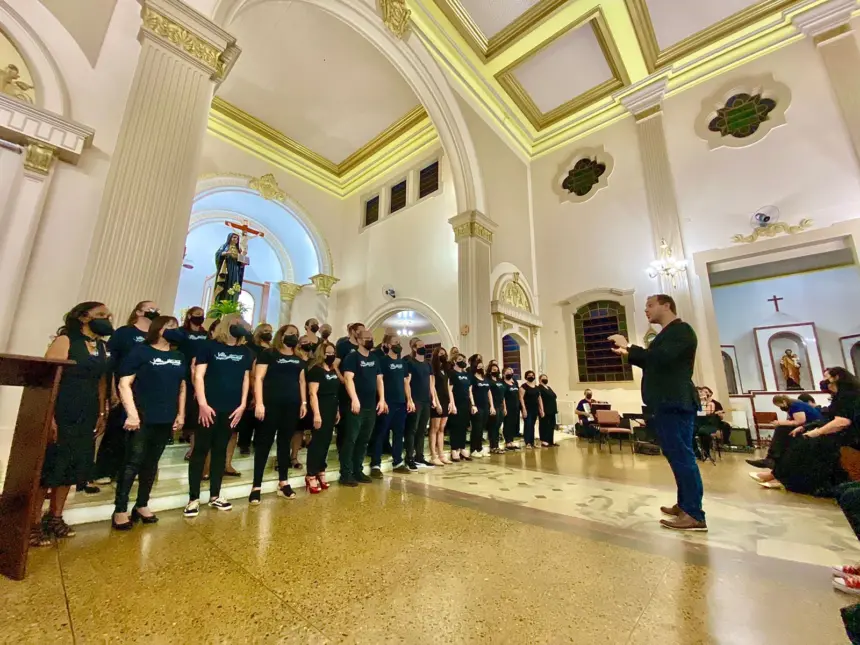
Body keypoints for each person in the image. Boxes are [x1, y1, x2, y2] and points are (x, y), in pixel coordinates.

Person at [609, 294, 706, 532]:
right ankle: (685, 505)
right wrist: (629, 353)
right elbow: (655, 362)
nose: (646, 310)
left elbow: (661, 359)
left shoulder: (681, 330)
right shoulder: (667, 334)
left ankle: (694, 513)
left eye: (650, 305)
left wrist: (629, 346)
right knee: (676, 456)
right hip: (666, 402)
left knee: (682, 456)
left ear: (666, 305)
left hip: (674, 401)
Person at [33, 302, 113, 545]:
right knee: (50, 467)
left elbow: (101, 380)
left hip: (86, 411)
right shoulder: (66, 340)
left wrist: (102, 412)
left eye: (108, 316)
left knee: (72, 466)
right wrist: (50, 416)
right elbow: (48, 378)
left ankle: (54, 517)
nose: (106, 318)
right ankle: (32, 523)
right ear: (83, 316)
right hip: (63, 409)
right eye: (100, 315)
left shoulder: (101, 346)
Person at [113, 316, 186, 530]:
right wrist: (132, 414)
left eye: (176, 327)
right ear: (159, 329)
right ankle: (120, 509)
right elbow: (124, 383)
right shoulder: (141, 352)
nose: (175, 330)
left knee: (152, 462)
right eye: (170, 327)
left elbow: (182, 387)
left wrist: (180, 414)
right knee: (132, 462)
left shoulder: (178, 356)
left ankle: (142, 504)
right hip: (142, 416)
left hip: (166, 416)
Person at [751, 367, 860, 495]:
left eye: (826, 377)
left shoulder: (849, 395)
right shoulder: (838, 396)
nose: (824, 381)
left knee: (806, 443)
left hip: (852, 435)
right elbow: (827, 419)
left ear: (836, 378)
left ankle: (783, 477)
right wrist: (805, 427)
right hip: (840, 432)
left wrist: (817, 432)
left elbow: (842, 422)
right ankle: (779, 475)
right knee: (797, 438)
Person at [184, 314, 252, 517]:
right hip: (209, 407)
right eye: (236, 324)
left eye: (242, 325)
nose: (239, 327)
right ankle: (193, 498)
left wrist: (242, 405)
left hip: (231, 408)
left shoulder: (246, 352)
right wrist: (203, 404)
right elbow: (199, 375)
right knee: (201, 449)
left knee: (220, 451)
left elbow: (246, 380)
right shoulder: (209, 347)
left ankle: (215, 495)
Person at [93, 300, 159, 486]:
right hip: (123, 387)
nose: (155, 312)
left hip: (146, 392)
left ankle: (129, 469)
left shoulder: (156, 337)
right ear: (139, 312)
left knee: (138, 435)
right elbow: (111, 363)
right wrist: (113, 389)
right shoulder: (124, 333)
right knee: (115, 431)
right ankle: (104, 471)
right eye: (150, 309)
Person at [249, 324, 306, 504]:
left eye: (296, 334)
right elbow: (258, 378)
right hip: (270, 404)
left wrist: (303, 402)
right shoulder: (269, 353)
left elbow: (302, 381)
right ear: (281, 336)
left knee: (284, 444)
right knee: (264, 443)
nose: (293, 337)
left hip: (292, 405)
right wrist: (259, 402)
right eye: (290, 334)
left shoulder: (299, 358)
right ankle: (256, 486)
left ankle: (283, 482)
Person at [340, 328, 384, 486]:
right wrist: (354, 399)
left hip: (371, 405)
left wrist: (382, 399)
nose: (370, 340)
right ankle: (346, 473)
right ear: (358, 340)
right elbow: (348, 378)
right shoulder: (352, 357)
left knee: (364, 440)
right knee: (351, 439)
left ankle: (358, 470)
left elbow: (379, 380)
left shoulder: (374, 358)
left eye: (371, 338)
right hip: (356, 406)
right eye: (366, 338)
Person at [370, 333, 413, 476]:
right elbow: (379, 381)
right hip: (387, 403)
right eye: (395, 342)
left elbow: (406, 382)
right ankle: (375, 464)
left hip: (401, 403)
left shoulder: (403, 363)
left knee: (398, 433)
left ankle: (398, 461)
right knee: (381, 433)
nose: (398, 345)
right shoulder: (382, 361)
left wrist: (410, 399)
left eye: (399, 342)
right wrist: (383, 400)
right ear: (388, 345)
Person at [746, 394, 822, 470]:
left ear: (783, 401)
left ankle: (771, 459)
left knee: (781, 429)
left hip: (813, 425)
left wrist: (780, 423)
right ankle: (772, 459)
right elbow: (794, 420)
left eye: (779, 405)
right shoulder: (792, 405)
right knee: (781, 431)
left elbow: (800, 421)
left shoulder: (795, 405)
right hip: (808, 424)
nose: (779, 407)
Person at [306, 342, 339, 492]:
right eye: (328, 352)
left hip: (332, 408)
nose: (331, 355)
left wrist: (337, 410)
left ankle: (321, 469)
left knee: (326, 442)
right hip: (320, 408)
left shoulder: (332, 370)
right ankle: (311, 473)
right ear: (321, 353)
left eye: (333, 352)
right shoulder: (316, 371)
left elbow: (335, 392)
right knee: (317, 442)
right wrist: (317, 414)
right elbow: (313, 393)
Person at [178, 307, 208, 450]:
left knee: (193, 402)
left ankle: (189, 432)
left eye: (202, 315)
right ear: (189, 316)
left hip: (199, 371)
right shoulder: (182, 332)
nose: (200, 317)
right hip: (183, 369)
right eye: (197, 315)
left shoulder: (205, 334)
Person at [404, 337, 434, 469]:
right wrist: (409, 399)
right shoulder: (410, 362)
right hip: (415, 400)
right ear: (414, 348)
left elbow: (431, 383)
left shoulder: (428, 364)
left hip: (426, 400)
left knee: (422, 430)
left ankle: (419, 456)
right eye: (420, 345)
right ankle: (409, 457)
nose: (423, 347)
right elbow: (407, 382)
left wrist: (433, 398)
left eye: (424, 345)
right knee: (412, 429)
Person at [448, 354, 475, 462]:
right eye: (459, 360)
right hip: (456, 403)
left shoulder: (467, 374)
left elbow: (470, 391)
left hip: (465, 403)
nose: (462, 361)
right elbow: (449, 390)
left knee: (463, 426)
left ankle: (462, 448)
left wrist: (473, 404)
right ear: (454, 361)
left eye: (463, 359)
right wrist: (452, 404)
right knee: (455, 426)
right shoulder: (452, 374)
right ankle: (454, 449)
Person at [429, 347, 453, 465]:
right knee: (435, 428)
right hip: (436, 400)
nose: (442, 355)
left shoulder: (446, 369)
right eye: (440, 354)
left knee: (442, 428)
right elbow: (432, 386)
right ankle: (433, 455)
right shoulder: (433, 368)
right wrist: (436, 402)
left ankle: (441, 454)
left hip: (445, 400)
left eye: (444, 354)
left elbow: (448, 387)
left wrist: (451, 402)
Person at [468, 355, 493, 458]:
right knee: (476, 428)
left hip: (485, 406)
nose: (481, 368)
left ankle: (480, 448)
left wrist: (491, 406)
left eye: (482, 366)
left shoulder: (485, 379)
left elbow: (489, 392)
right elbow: (470, 391)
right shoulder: (472, 378)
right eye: (479, 366)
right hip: (477, 406)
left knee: (482, 428)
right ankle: (474, 449)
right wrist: (473, 404)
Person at [213, 232, 247, 303]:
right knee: (226, 285)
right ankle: (222, 301)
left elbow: (241, 262)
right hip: (227, 268)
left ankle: (231, 301)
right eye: (234, 237)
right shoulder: (225, 246)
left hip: (235, 270)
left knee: (234, 285)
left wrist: (243, 260)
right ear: (230, 238)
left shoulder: (239, 250)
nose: (236, 239)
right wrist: (225, 253)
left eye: (237, 238)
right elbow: (218, 254)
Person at [519, 370, 543, 449]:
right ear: (526, 377)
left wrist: (541, 409)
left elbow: (539, 398)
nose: (531, 376)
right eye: (529, 375)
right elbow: (521, 398)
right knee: (528, 425)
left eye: (532, 375)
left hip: (535, 409)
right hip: (527, 408)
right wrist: (523, 409)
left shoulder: (536, 387)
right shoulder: (523, 387)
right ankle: (528, 443)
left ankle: (532, 442)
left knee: (532, 425)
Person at [487, 363, 506, 454]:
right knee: (493, 426)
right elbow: (488, 394)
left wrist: (505, 407)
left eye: (497, 369)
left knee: (498, 426)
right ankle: (493, 446)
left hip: (500, 405)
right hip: (493, 405)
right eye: (494, 370)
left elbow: (503, 395)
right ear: (490, 371)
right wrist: (491, 407)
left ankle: (497, 446)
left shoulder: (500, 380)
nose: (496, 371)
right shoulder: (488, 381)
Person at [502, 367, 521, 451]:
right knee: (508, 424)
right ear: (503, 374)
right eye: (508, 372)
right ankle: (507, 441)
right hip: (508, 406)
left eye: (511, 372)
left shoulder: (514, 383)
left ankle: (511, 440)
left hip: (515, 406)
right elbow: (503, 397)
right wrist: (505, 408)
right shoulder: (503, 383)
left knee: (513, 423)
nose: (510, 373)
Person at [538, 374, 558, 447]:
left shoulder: (548, 387)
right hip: (545, 409)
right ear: (540, 380)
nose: (545, 380)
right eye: (543, 378)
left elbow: (554, 396)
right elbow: (539, 399)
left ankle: (550, 440)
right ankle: (544, 440)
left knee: (551, 425)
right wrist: (541, 410)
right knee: (544, 425)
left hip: (552, 409)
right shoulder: (539, 388)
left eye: (546, 378)